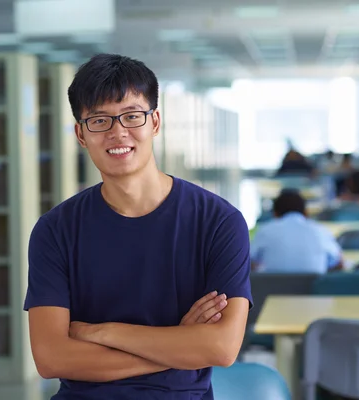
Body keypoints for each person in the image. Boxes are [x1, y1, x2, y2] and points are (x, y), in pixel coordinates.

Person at [23, 53, 252, 400]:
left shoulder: (219, 222)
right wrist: (177, 343)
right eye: (99, 121)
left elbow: (221, 348)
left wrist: (104, 333)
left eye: (132, 116)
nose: (118, 132)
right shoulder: (55, 230)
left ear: (155, 122)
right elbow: (51, 358)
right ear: (81, 135)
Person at [250, 190, 343, 273]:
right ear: (306, 213)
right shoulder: (320, 230)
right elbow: (338, 262)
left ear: (275, 214)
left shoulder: (265, 231)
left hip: (271, 289)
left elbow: (249, 261)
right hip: (313, 290)